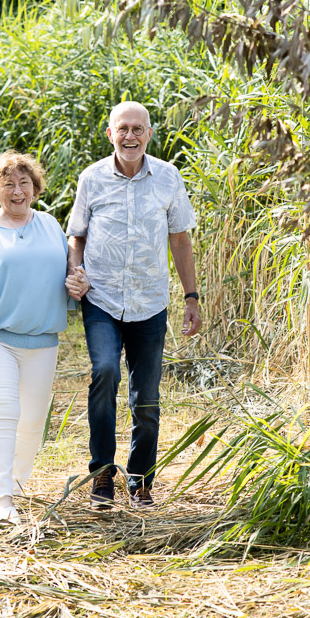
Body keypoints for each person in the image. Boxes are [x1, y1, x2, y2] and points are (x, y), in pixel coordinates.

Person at [66, 101, 200, 510]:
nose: (130, 136)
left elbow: (180, 239)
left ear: (149, 134)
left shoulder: (168, 177)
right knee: (105, 372)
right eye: (122, 128)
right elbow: (77, 236)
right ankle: (102, 474)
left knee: (146, 397)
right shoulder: (91, 178)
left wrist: (191, 296)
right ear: (110, 134)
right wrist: (76, 272)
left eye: (138, 129)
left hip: (150, 302)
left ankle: (141, 479)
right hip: (101, 299)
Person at [0, 151, 89, 524]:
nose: (17, 191)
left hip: (42, 340)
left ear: (35, 188)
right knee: (4, 412)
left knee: (33, 422)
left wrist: (78, 282)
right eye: (8, 184)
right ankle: (2, 499)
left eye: (24, 183)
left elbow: (68, 275)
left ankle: (17, 486)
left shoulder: (50, 226)